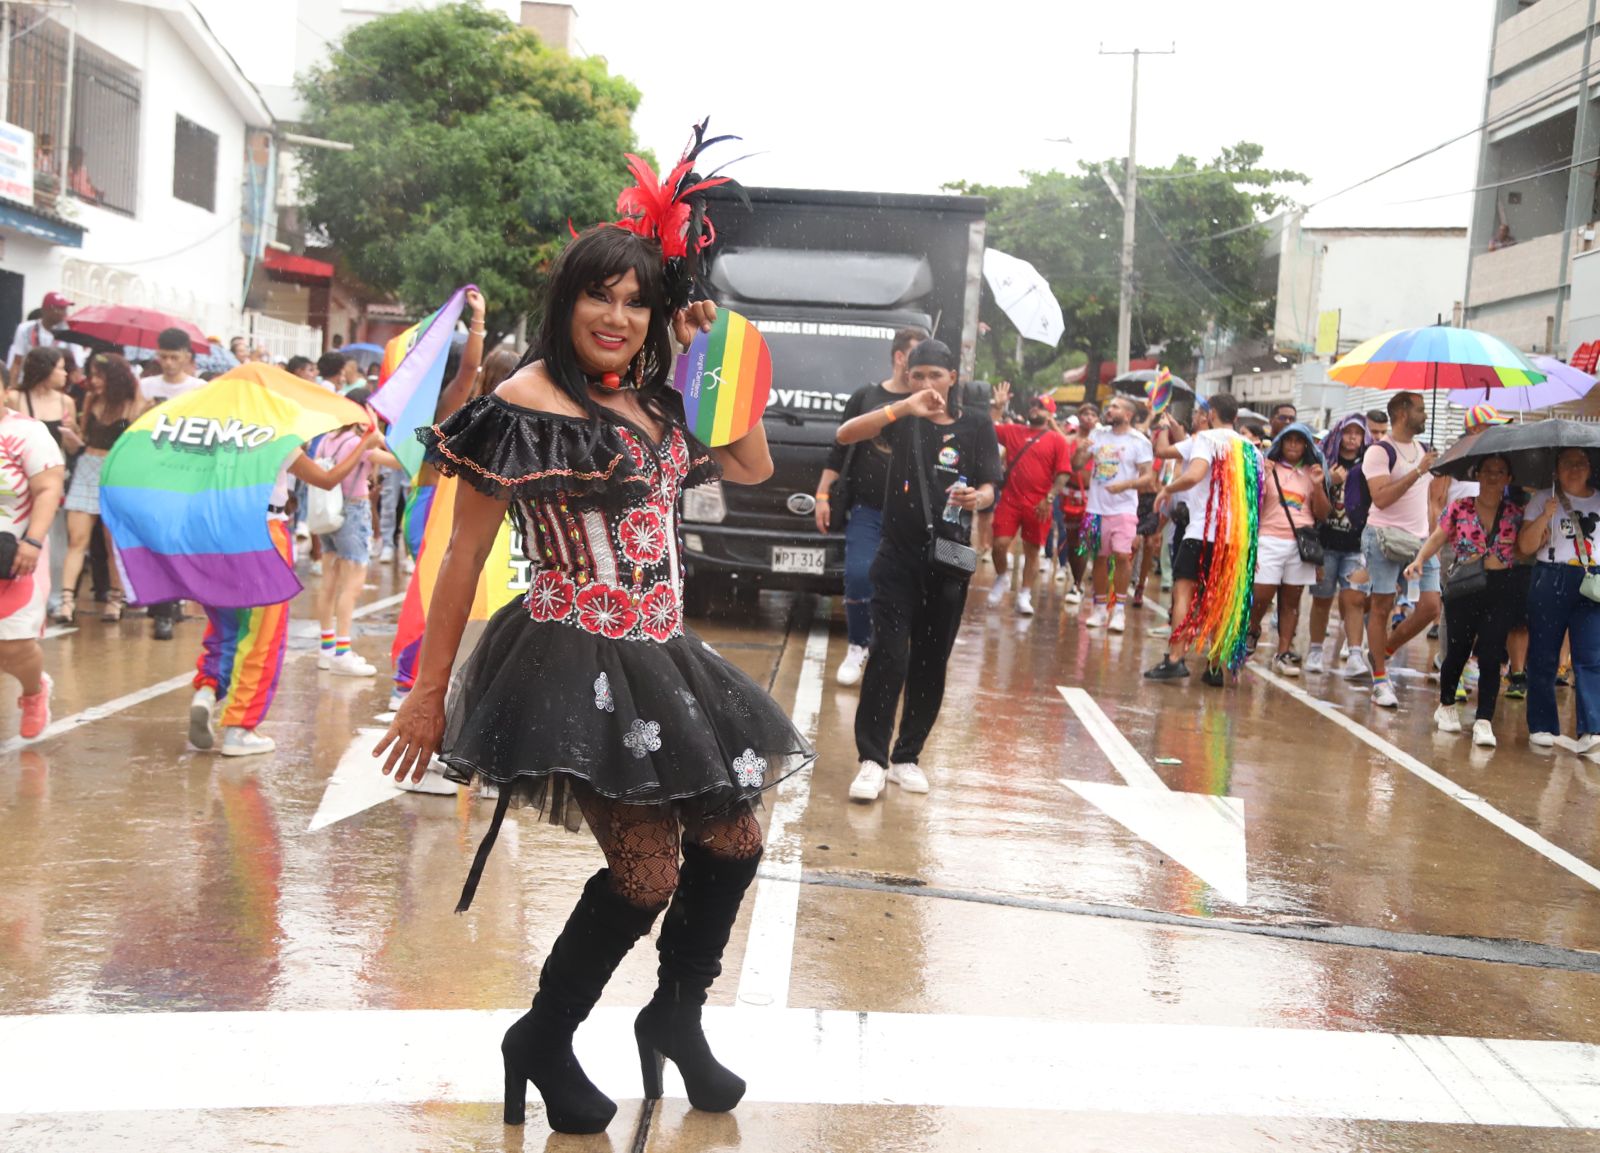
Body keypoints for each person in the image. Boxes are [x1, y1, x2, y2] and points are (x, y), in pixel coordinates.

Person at [375, 218, 809, 1135]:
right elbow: (463, 556)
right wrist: (426, 692)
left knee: (735, 841)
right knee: (647, 874)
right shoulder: (522, 401)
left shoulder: (661, 398)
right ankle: (541, 1037)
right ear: (566, 299)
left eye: (636, 301)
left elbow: (754, 462)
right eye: (597, 294)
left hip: (664, 651)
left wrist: (714, 355)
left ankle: (676, 1016)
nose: (615, 315)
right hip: (572, 655)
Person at [839, 338, 1000, 801]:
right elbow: (846, 434)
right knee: (889, 654)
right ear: (906, 378)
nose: (926, 383)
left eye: (935, 375)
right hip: (897, 557)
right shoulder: (901, 420)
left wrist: (978, 498)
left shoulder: (976, 426)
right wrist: (902, 406)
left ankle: (907, 757)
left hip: (949, 560)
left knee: (931, 662)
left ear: (953, 378)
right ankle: (871, 759)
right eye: (917, 375)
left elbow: (991, 485)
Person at [191, 422, 385, 756]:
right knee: (263, 635)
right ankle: (239, 728)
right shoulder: (276, 437)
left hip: (221, 532)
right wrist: (363, 444)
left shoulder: (219, 434)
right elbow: (326, 479)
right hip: (265, 533)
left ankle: (207, 692)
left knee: (225, 624)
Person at [388, 293, 496, 710]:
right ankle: (406, 683)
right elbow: (470, 368)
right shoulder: (446, 406)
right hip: (432, 509)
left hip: (420, 504)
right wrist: (480, 319)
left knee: (427, 594)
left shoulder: (419, 407)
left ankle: (406, 680)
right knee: (434, 599)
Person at [815, 326, 924, 685]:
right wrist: (822, 495)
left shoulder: (928, 406)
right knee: (860, 575)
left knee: (904, 588)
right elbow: (840, 447)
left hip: (912, 517)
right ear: (899, 357)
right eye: (916, 358)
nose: (921, 368)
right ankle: (857, 646)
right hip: (867, 510)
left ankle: (892, 651)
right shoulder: (866, 397)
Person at [1406, 452, 1522, 748]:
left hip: (1501, 587)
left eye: (1500, 471)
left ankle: (1484, 719)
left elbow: (1525, 546)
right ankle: (1445, 705)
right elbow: (1438, 536)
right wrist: (1420, 559)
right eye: (1488, 470)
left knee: (1493, 654)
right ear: (1477, 474)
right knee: (1457, 649)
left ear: (1509, 478)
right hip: (1465, 585)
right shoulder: (1460, 507)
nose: (1493, 476)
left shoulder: (1514, 512)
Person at [1145, 392, 1254, 684]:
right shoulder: (1252, 450)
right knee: (1221, 599)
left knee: (1184, 593)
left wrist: (1168, 489)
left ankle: (1176, 659)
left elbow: (1194, 476)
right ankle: (1215, 666)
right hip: (1235, 540)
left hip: (1202, 533)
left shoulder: (1208, 439)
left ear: (1211, 414)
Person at [1358, 391, 1441, 709]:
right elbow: (1380, 498)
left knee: (1431, 607)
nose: (1425, 415)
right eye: (1420, 409)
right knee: (1382, 606)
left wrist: (1433, 534)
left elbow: (1430, 500)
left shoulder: (1423, 450)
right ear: (1403, 413)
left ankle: (1383, 650)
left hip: (1421, 541)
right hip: (1384, 538)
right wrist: (1418, 470)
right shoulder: (1380, 451)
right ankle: (1380, 680)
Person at [314, 390, 402, 677]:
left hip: (328, 514)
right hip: (353, 512)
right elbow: (399, 461)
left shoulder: (327, 440)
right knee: (352, 585)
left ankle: (326, 647)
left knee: (329, 580)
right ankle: (342, 650)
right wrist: (378, 433)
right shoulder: (360, 442)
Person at [1518, 447, 1600, 751]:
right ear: (1556, 469)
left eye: (1580, 464)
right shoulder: (1542, 498)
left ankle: (1592, 728)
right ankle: (1541, 725)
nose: (1574, 469)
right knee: (1543, 653)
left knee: (1590, 655)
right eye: (1567, 464)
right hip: (1550, 576)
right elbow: (1526, 546)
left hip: (1591, 580)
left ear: (1590, 467)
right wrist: (1544, 516)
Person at [55, 354, 143, 623]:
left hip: (117, 474)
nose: (93, 381)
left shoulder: (135, 404)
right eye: (92, 374)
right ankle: (66, 600)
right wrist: (70, 434)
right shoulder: (91, 400)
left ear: (115, 376)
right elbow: (80, 442)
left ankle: (116, 598)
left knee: (112, 542)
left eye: (99, 375)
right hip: (87, 468)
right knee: (77, 540)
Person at [0, 394, 65, 739]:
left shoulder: (27, 433)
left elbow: (48, 488)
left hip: (14, 554)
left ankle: (33, 691)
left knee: (12, 645)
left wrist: (34, 541)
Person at [1249, 423, 1330, 676]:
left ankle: (1283, 651)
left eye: (1299, 440)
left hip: (1300, 544)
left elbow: (1323, 513)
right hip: (1268, 540)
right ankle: (1252, 629)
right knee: (1261, 593)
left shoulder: (1313, 472)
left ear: (1306, 445)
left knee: (1291, 601)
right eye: (1288, 440)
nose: (1293, 445)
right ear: (1281, 443)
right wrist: (1260, 477)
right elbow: (1252, 504)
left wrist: (1318, 485)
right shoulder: (1267, 467)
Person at [143, 329, 208, 639]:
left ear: (187, 357)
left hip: (184, 473)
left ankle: (169, 605)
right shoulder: (144, 387)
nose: (168, 363)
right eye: (163, 356)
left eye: (174, 357)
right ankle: (164, 604)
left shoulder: (200, 390)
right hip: (150, 474)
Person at [985, 384, 1071, 616]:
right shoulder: (1014, 431)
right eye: (1033, 405)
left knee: (1032, 552)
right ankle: (1002, 577)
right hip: (1010, 500)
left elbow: (1063, 472)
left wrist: (1050, 497)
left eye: (1041, 407)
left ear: (1049, 414)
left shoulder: (1057, 440)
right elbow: (988, 429)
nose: (1035, 409)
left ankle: (1024, 594)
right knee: (999, 545)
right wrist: (998, 405)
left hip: (1038, 504)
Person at [1074, 395, 1152, 632]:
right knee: (1099, 558)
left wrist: (1126, 485)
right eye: (1109, 406)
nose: (1109, 409)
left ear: (1127, 414)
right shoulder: (1097, 435)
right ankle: (1099, 610)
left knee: (1121, 556)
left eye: (1115, 407)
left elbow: (1149, 477)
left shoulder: (1139, 441)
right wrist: (1080, 451)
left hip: (1124, 508)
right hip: (1096, 509)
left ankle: (1118, 611)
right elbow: (1077, 465)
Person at [1306, 414, 1372, 677]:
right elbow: (1311, 500)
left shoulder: (1369, 463)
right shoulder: (1324, 460)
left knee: (1354, 600)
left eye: (1358, 433)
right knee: (1321, 600)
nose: (1353, 437)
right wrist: (1329, 481)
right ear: (1339, 434)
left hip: (1356, 545)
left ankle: (1355, 654)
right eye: (1348, 432)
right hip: (1325, 542)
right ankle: (1315, 649)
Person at [7, 292, 71, 386]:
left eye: (65, 309)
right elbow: (17, 362)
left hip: (54, 387)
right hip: (27, 384)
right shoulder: (25, 329)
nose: (65, 313)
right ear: (46, 310)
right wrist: (11, 387)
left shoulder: (69, 333)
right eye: (60, 309)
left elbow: (77, 366)